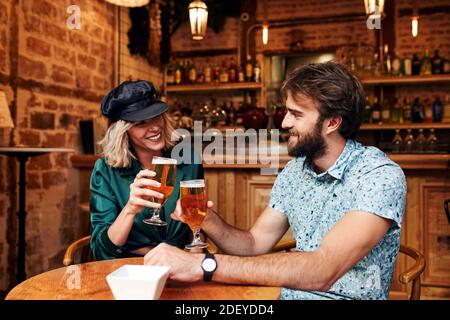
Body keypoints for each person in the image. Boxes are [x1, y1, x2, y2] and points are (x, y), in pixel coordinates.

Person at [143, 61, 407, 300]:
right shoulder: (295, 171)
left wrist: (203, 265)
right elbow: (254, 244)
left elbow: (322, 270)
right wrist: (208, 220)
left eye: (296, 114)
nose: (284, 122)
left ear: (332, 122)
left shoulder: (378, 176)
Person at [90, 80, 204, 260]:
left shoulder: (188, 159)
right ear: (124, 131)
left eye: (156, 116)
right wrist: (130, 208)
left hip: (181, 265)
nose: (155, 128)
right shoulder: (105, 170)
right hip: (130, 268)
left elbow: (195, 223)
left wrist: (195, 252)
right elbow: (101, 250)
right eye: (141, 123)